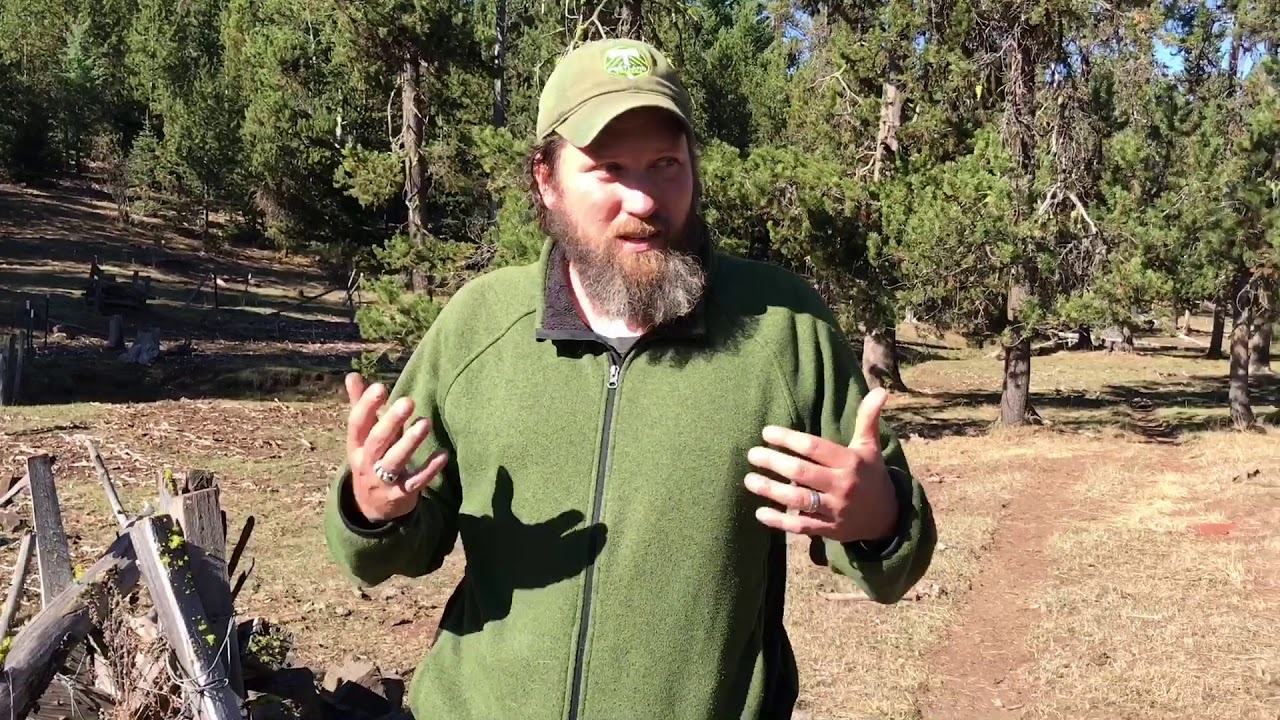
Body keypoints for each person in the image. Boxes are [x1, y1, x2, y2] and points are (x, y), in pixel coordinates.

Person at [324, 37, 936, 720]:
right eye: (609, 168)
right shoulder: (480, 325)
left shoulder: (783, 326)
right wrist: (372, 508)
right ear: (545, 179)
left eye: (666, 164)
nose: (644, 199)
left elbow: (894, 566)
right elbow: (381, 554)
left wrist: (878, 519)